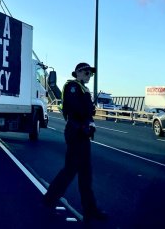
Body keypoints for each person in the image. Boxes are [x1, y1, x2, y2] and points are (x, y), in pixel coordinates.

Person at [43, 62, 108, 224]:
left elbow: (87, 112)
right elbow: (76, 109)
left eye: (90, 74)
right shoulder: (72, 86)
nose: (89, 76)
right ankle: (49, 198)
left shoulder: (82, 88)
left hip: (82, 133)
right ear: (78, 73)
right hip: (76, 132)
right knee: (70, 170)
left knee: (85, 174)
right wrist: (88, 113)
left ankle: (90, 209)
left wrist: (90, 121)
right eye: (86, 73)